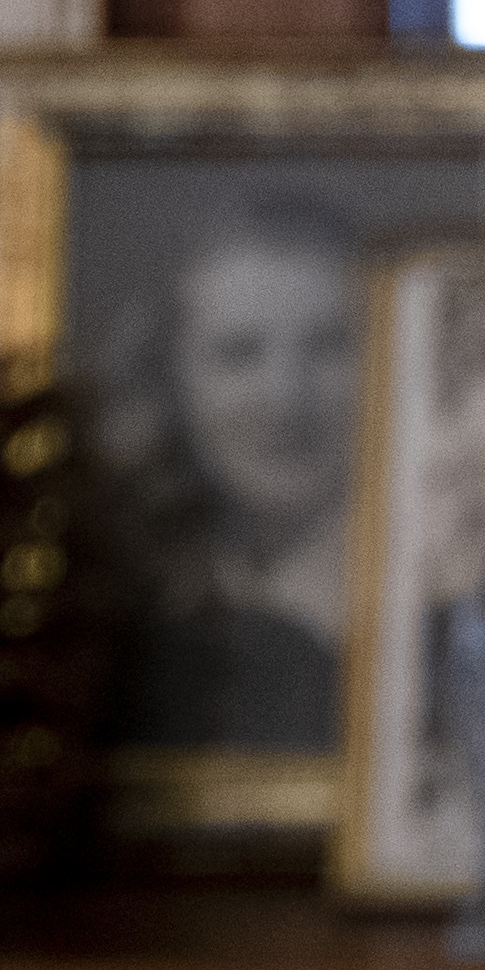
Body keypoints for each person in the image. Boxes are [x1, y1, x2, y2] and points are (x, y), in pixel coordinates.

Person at [100, 195, 371, 755]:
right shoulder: (132, 597)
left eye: (329, 347)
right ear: (173, 379)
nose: (285, 400)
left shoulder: (444, 597)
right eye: (239, 354)